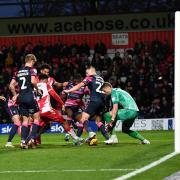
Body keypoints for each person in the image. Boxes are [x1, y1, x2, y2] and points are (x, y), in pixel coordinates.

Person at [64, 65, 109, 142]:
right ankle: (108, 138)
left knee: (83, 119)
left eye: (87, 72)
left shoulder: (90, 77)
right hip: (102, 101)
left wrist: (69, 91)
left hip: (94, 101)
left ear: (91, 71)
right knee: (98, 121)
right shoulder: (101, 78)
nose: (86, 74)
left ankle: (88, 135)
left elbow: (80, 85)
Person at [36, 74, 84, 145]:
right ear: (44, 80)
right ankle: (76, 138)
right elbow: (54, 95)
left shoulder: (35, 87)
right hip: (47, 110)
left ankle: (33, 139)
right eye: (47, 80)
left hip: (39, 111)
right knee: (64, 121)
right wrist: (62, 103)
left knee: (42, 125)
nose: (47, 82)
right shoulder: (46, 85)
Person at [9, 54, 41, 149]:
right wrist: (37, 89)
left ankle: (23, 141)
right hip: (29, 96)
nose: (34, 63)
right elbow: (33, 81)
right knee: (36, 118)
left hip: (21, 98)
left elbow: (11, 86)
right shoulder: (32, 70)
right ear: (31, 60)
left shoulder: (17, 72)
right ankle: (29, 139)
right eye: (34, 61)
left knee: (25, 120)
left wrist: (15, 95)